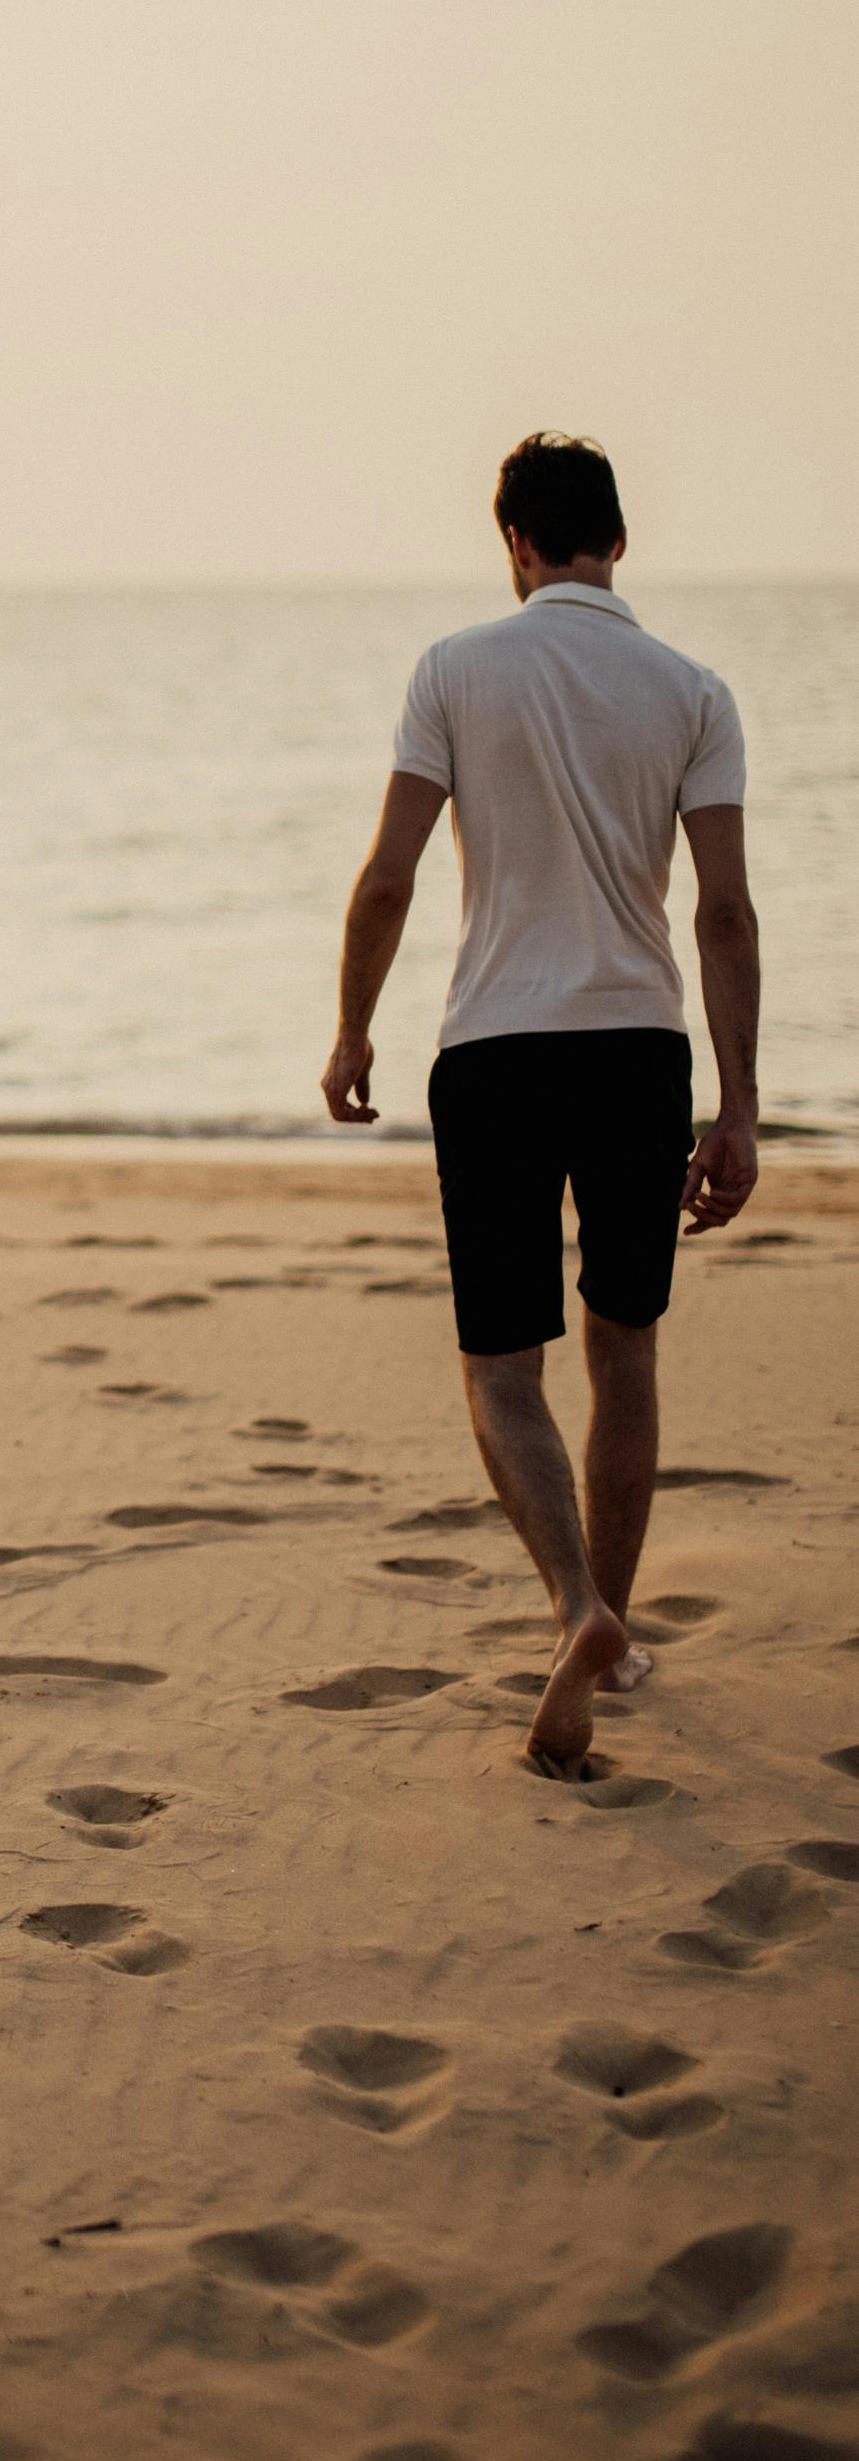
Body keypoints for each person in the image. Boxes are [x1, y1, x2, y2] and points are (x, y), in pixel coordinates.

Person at [320, 435, 759, 1776]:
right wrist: (737, 1109)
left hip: (496, 1052)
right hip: (637, 1049)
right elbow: (725, 911)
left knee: (502, 1369)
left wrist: (350, 1027)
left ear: (513, 543)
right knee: (620, 1350)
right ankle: (615, 1639)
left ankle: (575, 1607)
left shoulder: (455, 670)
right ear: (618, 541)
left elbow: (390, 877)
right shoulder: (692, 690)